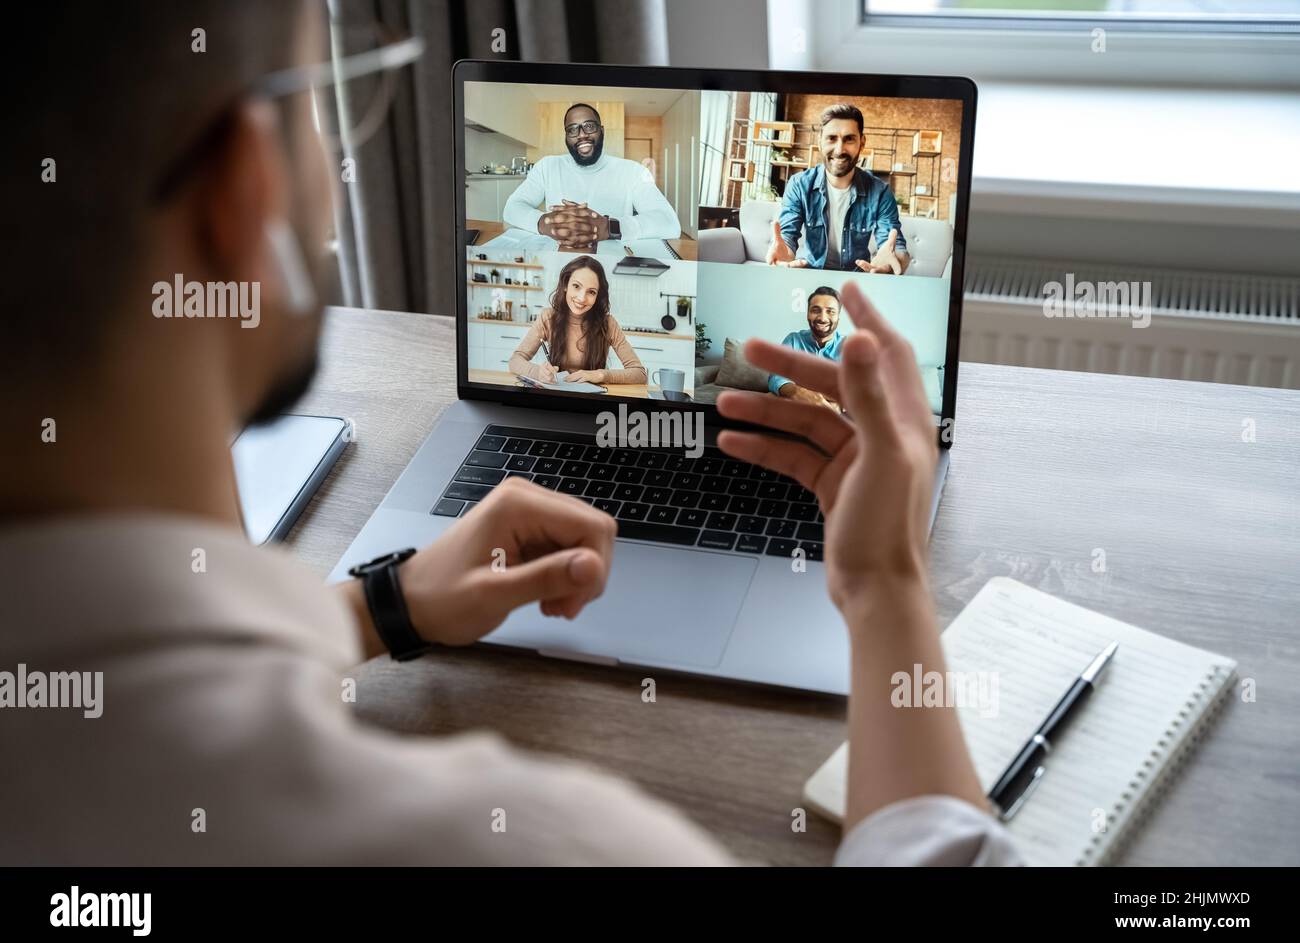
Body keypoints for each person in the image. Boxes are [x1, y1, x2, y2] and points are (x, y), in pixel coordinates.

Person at [2, 0, 1019, 866]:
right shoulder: (552, 844)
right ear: (244, 192)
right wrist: (883, 583)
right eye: (321, 98)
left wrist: (378, 607)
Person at [501, 103, 681, 249]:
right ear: (566, 136)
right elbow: (512, 208)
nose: (581, 135)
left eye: (589, 126)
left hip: (611, 264)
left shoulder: (634, 171)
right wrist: (545, 222)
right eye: (572, 129)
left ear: (601, 130)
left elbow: (669, 223)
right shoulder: (547, 166)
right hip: (560, 258)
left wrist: (607, 227)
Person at [766, 104, 911, 275]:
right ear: (820, 141)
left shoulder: (880, 192)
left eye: (849, 139)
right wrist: (785, 255)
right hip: (810, 273)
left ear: (861, 143)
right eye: (831, 138)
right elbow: (787, 236)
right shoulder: (799, 185)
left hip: (856, 278)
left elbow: (896, 247)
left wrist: (892, 261)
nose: (839, 149)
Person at [508, 256, 646, 386]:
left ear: (598, 296)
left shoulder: (608, 323)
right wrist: (538, 372)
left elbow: (639, 374)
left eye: (591, 292)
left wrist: (601, 375)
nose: (581, 298)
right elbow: (515, 361)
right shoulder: (548, 318)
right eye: (576, 286)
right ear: (565, 285)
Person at [769, 286, 846, 411]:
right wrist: (800, 393)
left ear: (838, 316)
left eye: (830, 311)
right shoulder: (793, 340)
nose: (822, 318)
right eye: (816, 310)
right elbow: (776, 377)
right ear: (808, 314)